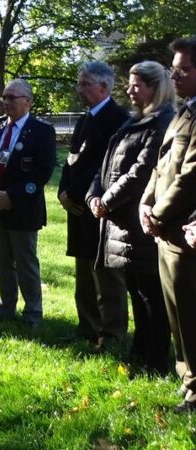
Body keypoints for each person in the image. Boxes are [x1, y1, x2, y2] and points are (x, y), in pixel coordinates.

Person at [86, 61, 175, 373]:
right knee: (137, 290)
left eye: (136, 85)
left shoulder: (162, 122)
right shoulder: (134, 121)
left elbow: (141, 170)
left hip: (140, 222)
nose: (129, 90)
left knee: (152, 295)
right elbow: (106, 163)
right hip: (119, 221)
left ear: (154, 87)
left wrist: (107, 201)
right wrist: (94, 195)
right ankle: (140, 352)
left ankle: (155, 359)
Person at [140, 37, 196, 413]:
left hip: (183, 232)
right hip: (166, 232)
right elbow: (163, 166)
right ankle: (188, 382)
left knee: (191, 316)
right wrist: (146, 203)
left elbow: (191, 174)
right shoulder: (184, 111)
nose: (173, 74)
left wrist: (158, 214)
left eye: (183, 69)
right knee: (177, 316)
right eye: (173, 68)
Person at [59, 61, 130, 348]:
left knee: (105, 274)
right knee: (83, 272)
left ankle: (110, 333)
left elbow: (107, 168)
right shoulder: (86, 118)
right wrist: (64, 192)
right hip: (76, 209)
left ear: (104, 86)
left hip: (101, 209)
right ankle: (86, 326)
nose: (80, 88)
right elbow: (71, 160)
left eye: (85, 83)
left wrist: (86, 196)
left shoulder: (118, 119)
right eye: (80, 82)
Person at [0, 79, 56, 327]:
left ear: (28, 101)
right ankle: (6, 307)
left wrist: (11, 196)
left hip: (23, 207)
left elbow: (42, 172)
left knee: (25, 262)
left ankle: (33, 313)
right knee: (1, 262)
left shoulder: (42, 131)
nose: (6, 102)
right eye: (4, 97)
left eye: (12, 97)